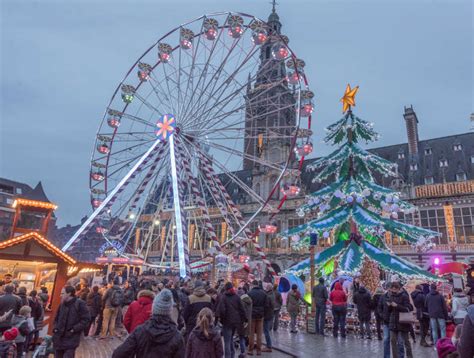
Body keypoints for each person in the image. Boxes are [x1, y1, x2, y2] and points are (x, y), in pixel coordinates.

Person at [112, 289, 185, 358]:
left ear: (154, 308)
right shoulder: (177, 336)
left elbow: (118, 354)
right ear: (169, 311)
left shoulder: (140, 331)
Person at [52, 285, 90, 358]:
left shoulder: (80, 304)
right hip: (59, 338)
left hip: (71, 339)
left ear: (69, 293)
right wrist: (55, 327)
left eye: (62, 293)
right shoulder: (62, 304)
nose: (60, 295)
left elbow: (86, 320)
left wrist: (74, 329)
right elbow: (56, 318)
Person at [216, 282, 246, 358]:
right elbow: (242, 309)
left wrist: (222, 320)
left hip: (227, 322)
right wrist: (244, 320)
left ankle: (228, 356)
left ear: (226, 289)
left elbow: (221, 311)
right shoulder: (237, 297)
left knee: (227, 342)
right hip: (236, 322)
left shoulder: (224, 297)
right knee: (231, 339)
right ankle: (232, 355)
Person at [386, 282, 413, 358]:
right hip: (393, 322)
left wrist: (397, 306)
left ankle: (409, 356)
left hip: (403, 322)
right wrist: (389, 306)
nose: (393, 290)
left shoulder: (404, 296)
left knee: (405, 341)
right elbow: (390, 311)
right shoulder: (390, 296)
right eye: (392, 289)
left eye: (395, 289)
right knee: (393, 341)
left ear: (398, 289)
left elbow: (408, 308)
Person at [247, 280, 269, 355]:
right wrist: (264, 313)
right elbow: (267, 305)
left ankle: (250, 350)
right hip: (260, 315)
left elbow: (247, 305)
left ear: (253, 285)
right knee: (259, 333)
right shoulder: (264, 293)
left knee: (251, 333)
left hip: (252, 315)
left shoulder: (249, 293)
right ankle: (259, 350)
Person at [238, 287, 252, 358]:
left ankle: (243, 352)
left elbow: (241, 313)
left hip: (243, 322)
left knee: (241, 337)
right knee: (245, 336)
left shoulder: (242, 302)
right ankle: (245, 351)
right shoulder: (250, 300)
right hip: (248, 321)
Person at [262, 282, 275, 353]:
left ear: (268, 288)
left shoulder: (268, 296)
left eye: (266, 287)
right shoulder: (272, 294)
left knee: (266, 331)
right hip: (270, 314)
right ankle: (268, 345)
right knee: (267, 330)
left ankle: (269, 346)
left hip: (267, 315)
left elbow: (266, 306)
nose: (265, 288)